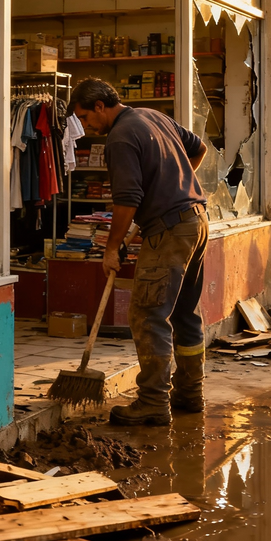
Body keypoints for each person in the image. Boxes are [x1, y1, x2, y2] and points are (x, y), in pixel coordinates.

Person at [70, 78, 209, 426]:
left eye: (86, 118)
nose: (86, 126)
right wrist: (174, 184)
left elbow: (126, 200)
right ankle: (191, 394)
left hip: (170, 232)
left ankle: (152, 403)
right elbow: (199, 147)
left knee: (148, 316)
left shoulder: (119, 138)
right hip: (196, 222)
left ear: (100, 106)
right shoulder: (153, 116)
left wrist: (111, 248)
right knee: (185, 315)